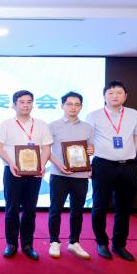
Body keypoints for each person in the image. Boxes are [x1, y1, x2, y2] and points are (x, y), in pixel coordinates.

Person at [86, 80, 137, 261]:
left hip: (128, 166)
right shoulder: (94, 115)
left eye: (119, 92)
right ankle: (101, 242)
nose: (115, 96)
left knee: (124, 208)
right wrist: (87, 164)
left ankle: (119, 245)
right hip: (103, 166)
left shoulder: (133, 114)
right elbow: (87, 143)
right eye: (111, 93)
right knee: (99, 206)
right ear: (104, 96)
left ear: (125, 96)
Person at [0, 90, 52, 261]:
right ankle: (11, 244)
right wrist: (10, 163)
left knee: (30, 210)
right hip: (13, 172)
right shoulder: (6, 124)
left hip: (34, 173)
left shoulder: (41, 125)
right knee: (12, 209)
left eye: (29, 102)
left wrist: (42, 165)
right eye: (22, 102)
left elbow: (46, 148)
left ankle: (27, 245)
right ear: (14, 105)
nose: (26, 105)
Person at [47, 92, 94, 260]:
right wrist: (59, 165)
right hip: (58, 174)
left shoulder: (88, 127)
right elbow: (46, 151)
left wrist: (92, 150)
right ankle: (54, 241)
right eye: (69, 104)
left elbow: (91, 148)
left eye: (77, 104)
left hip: (80, 175)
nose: (73, 107)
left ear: (81, 107)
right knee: (55, 209)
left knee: (77, 211)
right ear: (62, 106)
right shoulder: (52, 126)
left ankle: (74, 242)